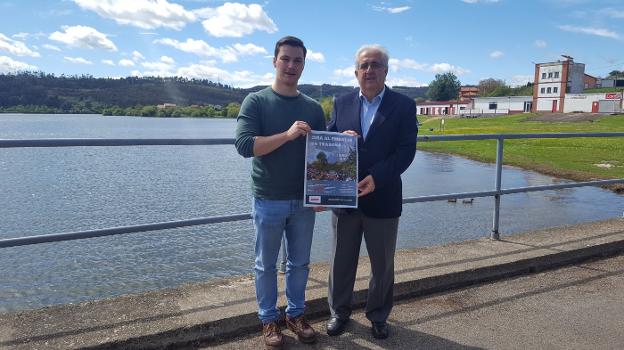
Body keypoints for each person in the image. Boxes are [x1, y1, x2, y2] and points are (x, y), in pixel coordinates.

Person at [234, 36, 326, 349]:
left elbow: (322, 156)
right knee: (265, 265)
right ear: (274, 61)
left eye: (297, 60)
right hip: (268, 199)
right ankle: (268, 320)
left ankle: (296, 315)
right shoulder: (255, 102)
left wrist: (323, 193)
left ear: (303, 65)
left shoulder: (313, 108)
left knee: (300, 264)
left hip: (303, 201)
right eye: (285, 59)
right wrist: (287, 136)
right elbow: (246, 146)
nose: (291, 66)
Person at [325, 44, 418, 339]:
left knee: (382, 266)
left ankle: (378, 315)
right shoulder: (341, 103)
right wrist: (338, 138)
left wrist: (377, 177)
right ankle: (339, 312)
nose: (370, 70)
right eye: (364, 66)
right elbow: (327, 143)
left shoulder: (403, 105)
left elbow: (406, 151)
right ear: (355, 72)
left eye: (376, 65)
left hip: (384, 196)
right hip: (344, 198)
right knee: (341, 262)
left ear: (386, 71)